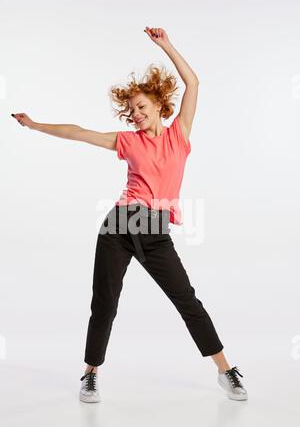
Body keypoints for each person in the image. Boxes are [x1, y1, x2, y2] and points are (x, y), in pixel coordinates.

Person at [11, 26, 248, 403]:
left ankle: (226, 370)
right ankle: (90, 374)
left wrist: (165, 45)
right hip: (119, 226)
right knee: (104, 303)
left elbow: (194, 83)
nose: (136, 114)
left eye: (142, 107)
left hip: (155, 232)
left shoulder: (179, 134)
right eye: (132, 109)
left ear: (158, 105)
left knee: (187, 300)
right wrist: (36, 125)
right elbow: (78, 132)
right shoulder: (127, 141)